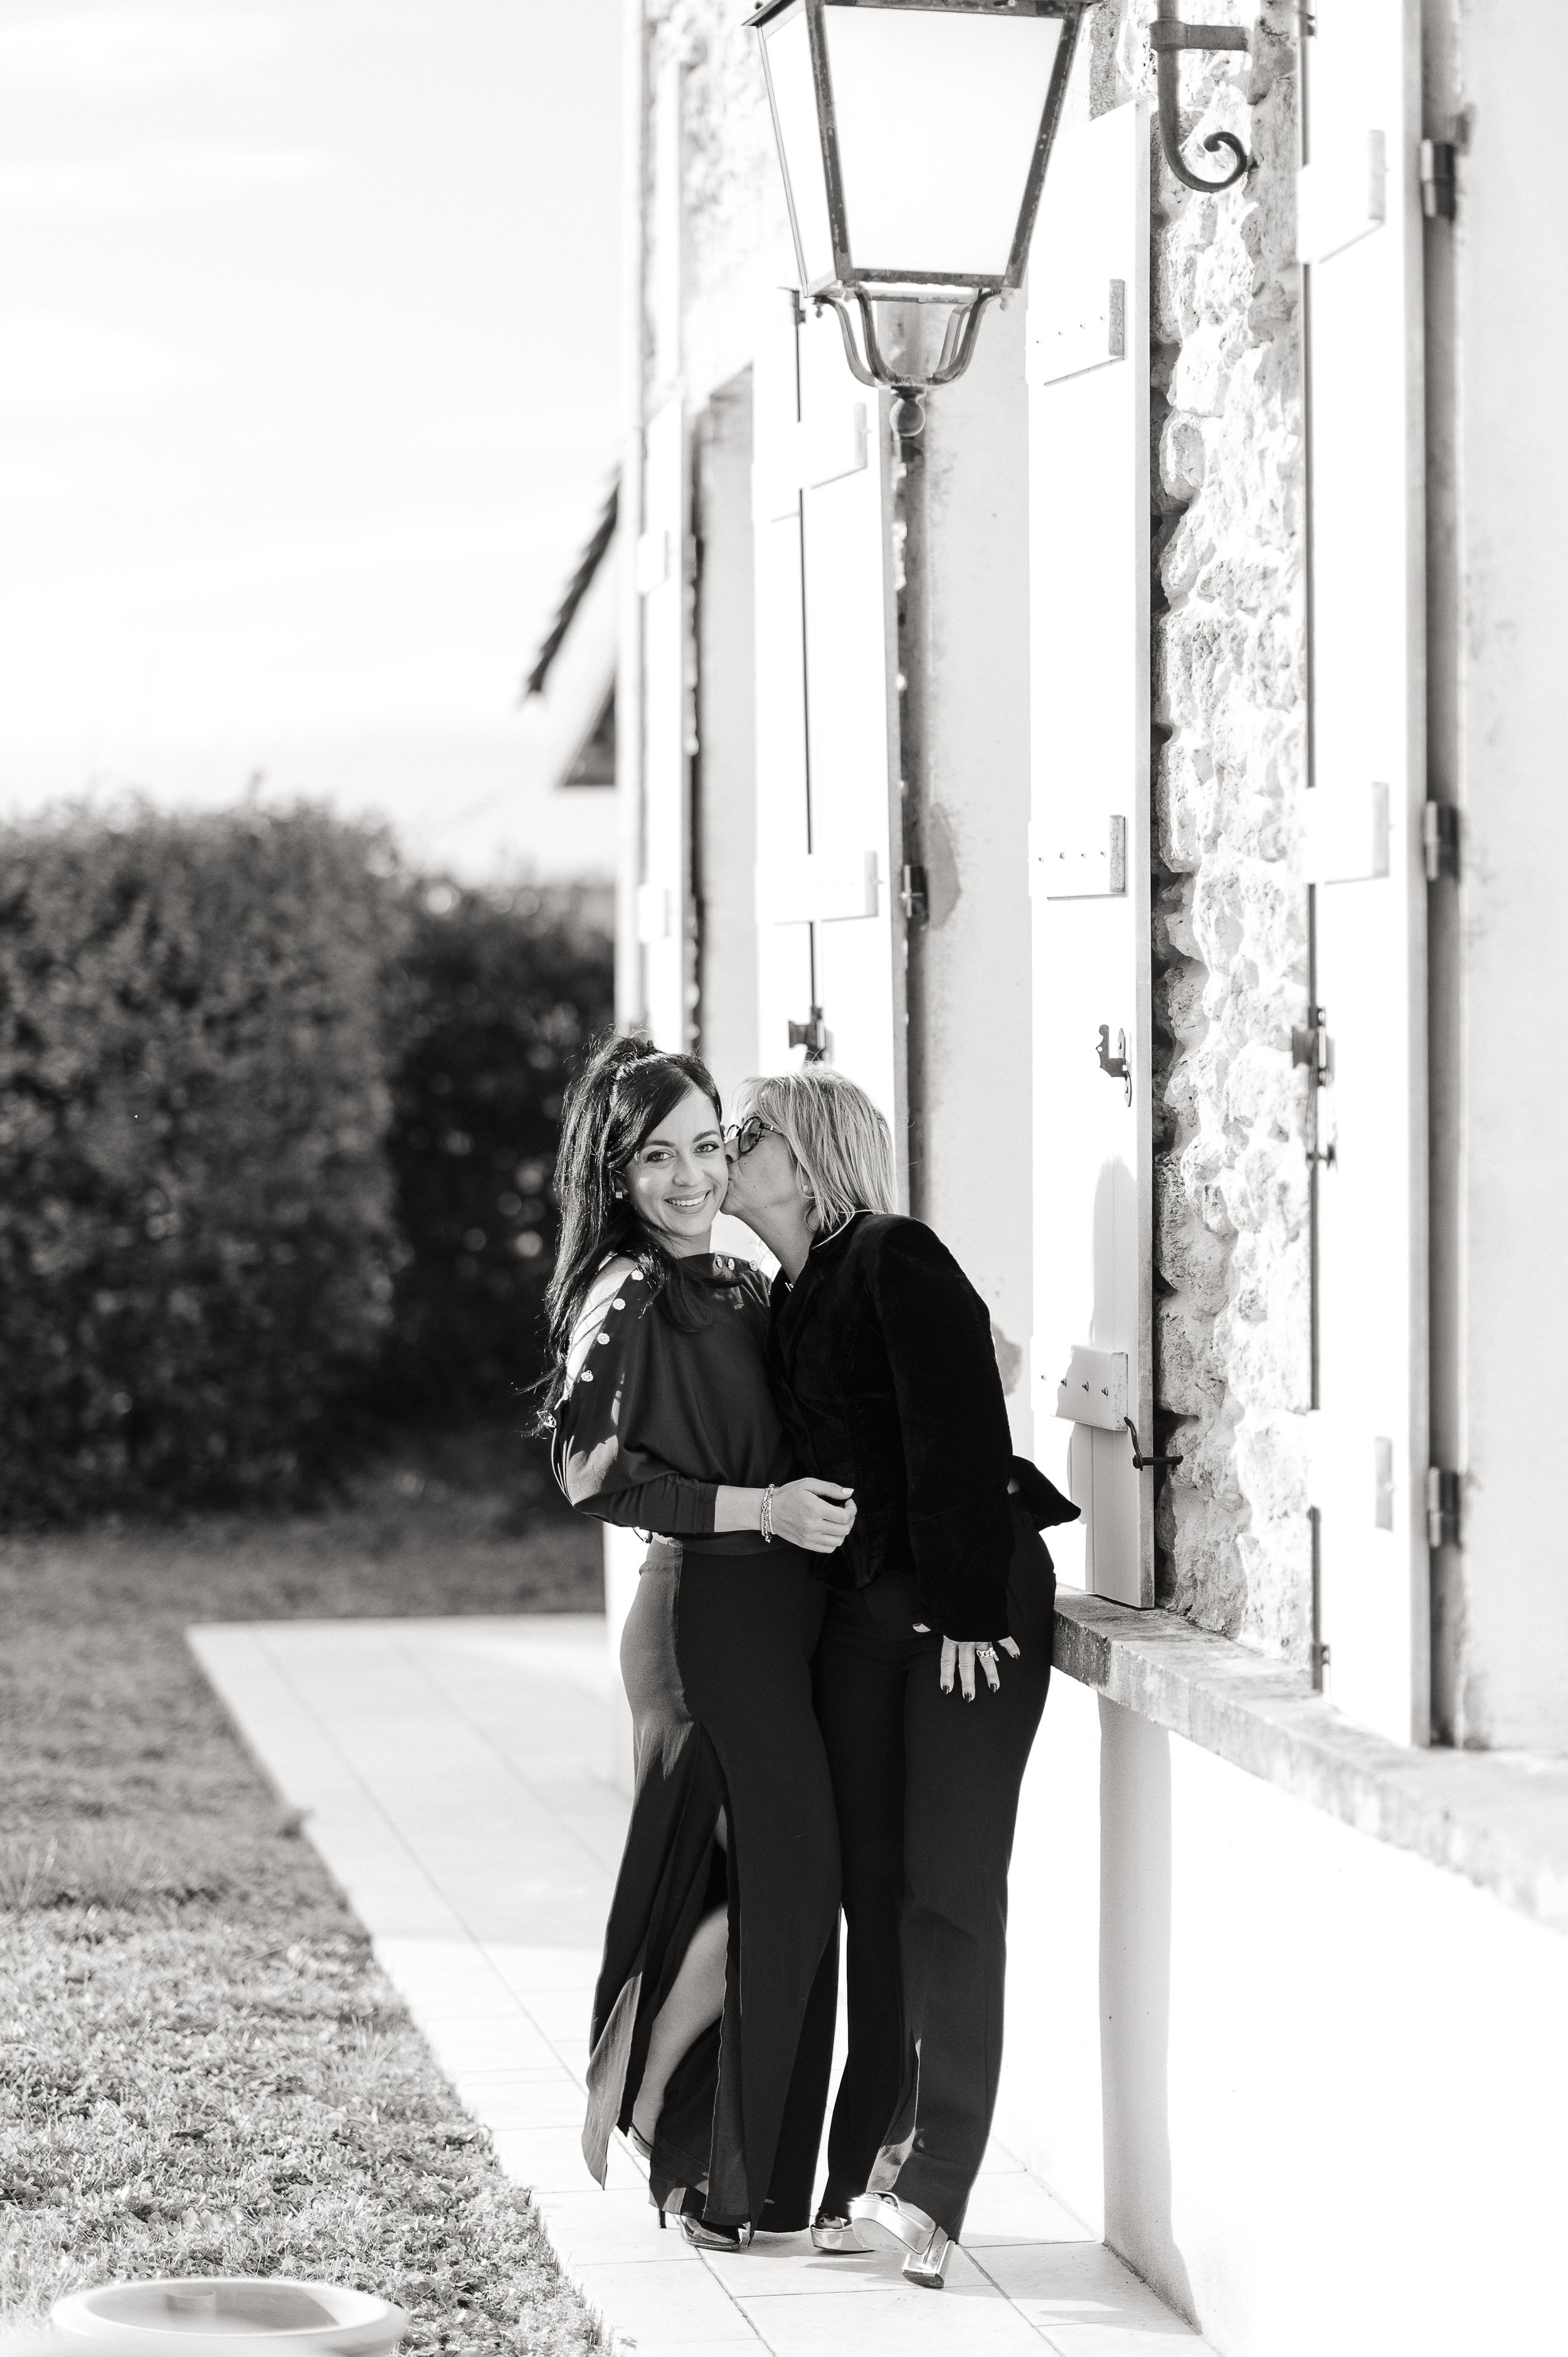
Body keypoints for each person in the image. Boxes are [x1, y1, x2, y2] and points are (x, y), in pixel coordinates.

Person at [721, 1067, 1078, 2289]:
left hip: (967, 1609)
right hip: (864, 1616)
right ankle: (859, 2169)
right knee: (870, 1891)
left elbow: (960, 1418)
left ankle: (934, 2184)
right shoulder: (785, 1292)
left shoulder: (891, 1252)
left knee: (949, 1883)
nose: (727, 1147)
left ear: (806, 1153)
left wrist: (967, 1602)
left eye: (749, 1131)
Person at [543, 1033, 852, 2250]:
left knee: (768, 1885)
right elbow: (591, 1473)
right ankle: (657, 2101)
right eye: (657, 1157)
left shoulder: (733, 1278)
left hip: (773, 1616)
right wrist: (758, 1510)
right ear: (615, 1174)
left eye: (707, 1146)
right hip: (699, 1616)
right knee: (774, 1883)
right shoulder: (626, 1291)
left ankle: (699, 2144)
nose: (690, 1177)